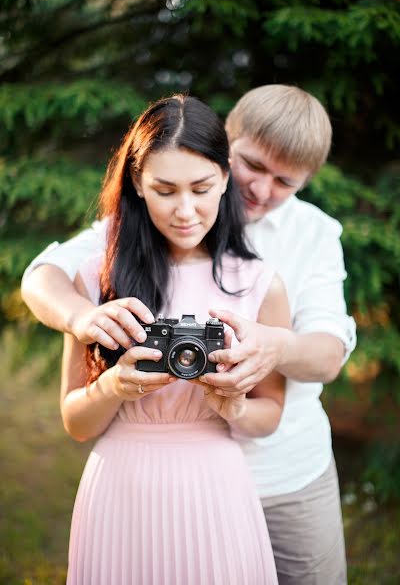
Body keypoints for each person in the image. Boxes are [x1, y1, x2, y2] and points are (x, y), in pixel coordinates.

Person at [22, 85, 356, 584]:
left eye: (285, 180)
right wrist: (85, 320)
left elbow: (328, 355)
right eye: (254, 166)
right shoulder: (127, 238)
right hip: (137, 478)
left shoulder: (308, 239)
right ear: (227, 145)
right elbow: (43, 276)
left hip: (285, 468)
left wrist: (272, 346)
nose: (261, 190)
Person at [58, 94, 289, 584]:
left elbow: (271, 413)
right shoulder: (96, 279)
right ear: (137, 183)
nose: (186, 210)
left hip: (216, 489)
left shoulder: (262, 284)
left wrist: (236, 408)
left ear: (226, 178)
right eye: (165, 190)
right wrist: (115, 387)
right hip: (119, 489)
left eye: (202, 188)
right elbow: (75, 422)